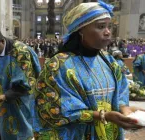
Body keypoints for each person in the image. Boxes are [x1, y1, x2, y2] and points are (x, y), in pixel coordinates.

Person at [33, 1, 144, 140]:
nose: (108, 32)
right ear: (80, 29)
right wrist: (103, 116)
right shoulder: (58, 66)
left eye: (110, 26)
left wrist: (126, 111)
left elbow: (121, 91)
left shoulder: (109, 61)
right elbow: (52, 109)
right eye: (101, 26)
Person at [0, 26, 41, 139]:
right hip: (2, 104)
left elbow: (27, 84)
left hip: (22, 102)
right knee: (6, 132)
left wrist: (5, 96)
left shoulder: (20, 52)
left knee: (23, 133)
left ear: (2, 41)